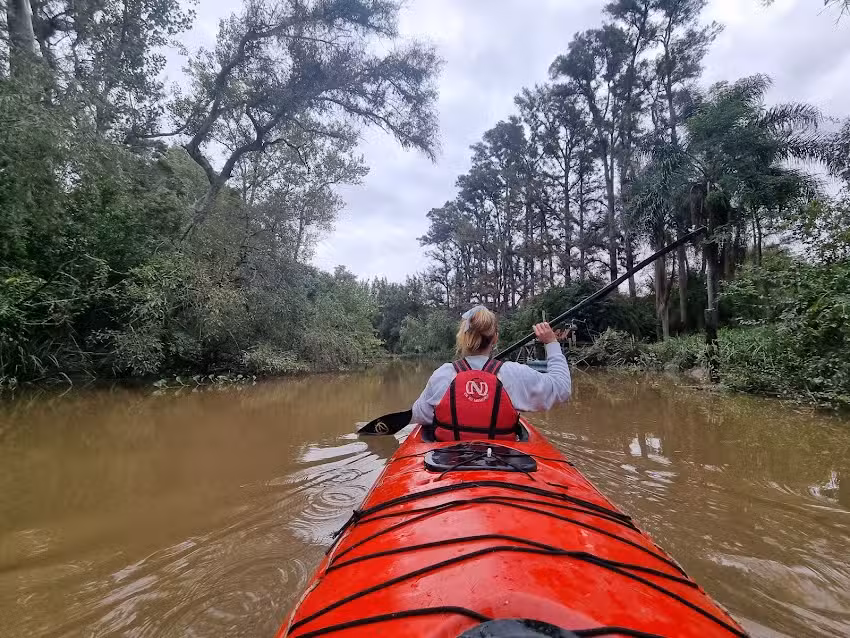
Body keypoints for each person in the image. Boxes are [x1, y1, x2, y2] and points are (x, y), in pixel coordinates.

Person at [411, 305, 572, 441]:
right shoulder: (514, 374)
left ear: (462, 338)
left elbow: (419, 416)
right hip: (503, 467)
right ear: (495, 338)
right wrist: (551, 343)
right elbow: (562, 388)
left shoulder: (442, 375)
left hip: (447, 465)